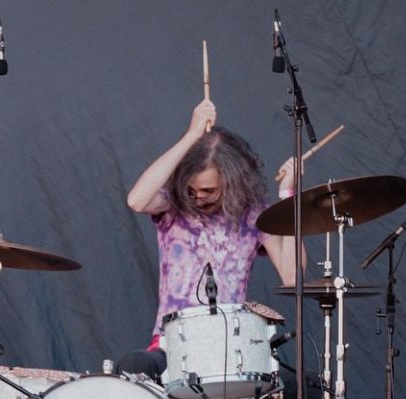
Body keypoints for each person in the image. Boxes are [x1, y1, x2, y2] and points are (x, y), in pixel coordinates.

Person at [122, 98, 304, 380]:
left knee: (305, 386)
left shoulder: (254, 215)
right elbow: (136, 200)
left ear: (230, 182)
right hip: (172, 346)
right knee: (134, 365)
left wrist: (288, 196)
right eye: (192, 190)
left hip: (230, 349)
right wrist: (191, 136)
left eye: (208, 191)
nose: (198, 197)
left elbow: (293, 275)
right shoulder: (173, 204)